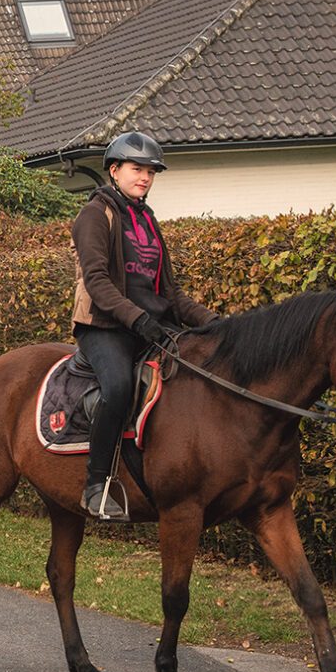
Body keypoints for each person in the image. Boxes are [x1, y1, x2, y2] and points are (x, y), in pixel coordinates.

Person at [71, 131, 218, 521]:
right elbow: (98, 282)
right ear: (114, 170)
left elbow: (171, 293)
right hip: (105, 326)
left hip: (151, 326)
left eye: (151, 171)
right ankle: (96, 485)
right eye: (137, 169)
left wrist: (215, 324)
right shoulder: (94, 215)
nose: (145, 177)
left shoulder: (148, 220)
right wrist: (139, 320)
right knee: (118, 387)